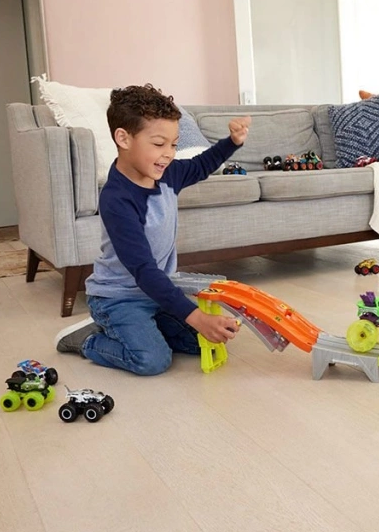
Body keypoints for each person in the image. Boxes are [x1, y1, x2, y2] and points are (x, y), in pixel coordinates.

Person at [53, 83, 250, 375]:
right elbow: (144, 270)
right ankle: (89, 339)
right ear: (123, 138)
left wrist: (232, 142)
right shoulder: (117, 200)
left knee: (201, 343)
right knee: (152, 360)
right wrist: (196, 317)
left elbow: (200, 165)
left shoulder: (167, 174)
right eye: (159, 144)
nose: (168, 154)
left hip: (155, 293)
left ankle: (140, 328)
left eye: (174, 144)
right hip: (118, 298)